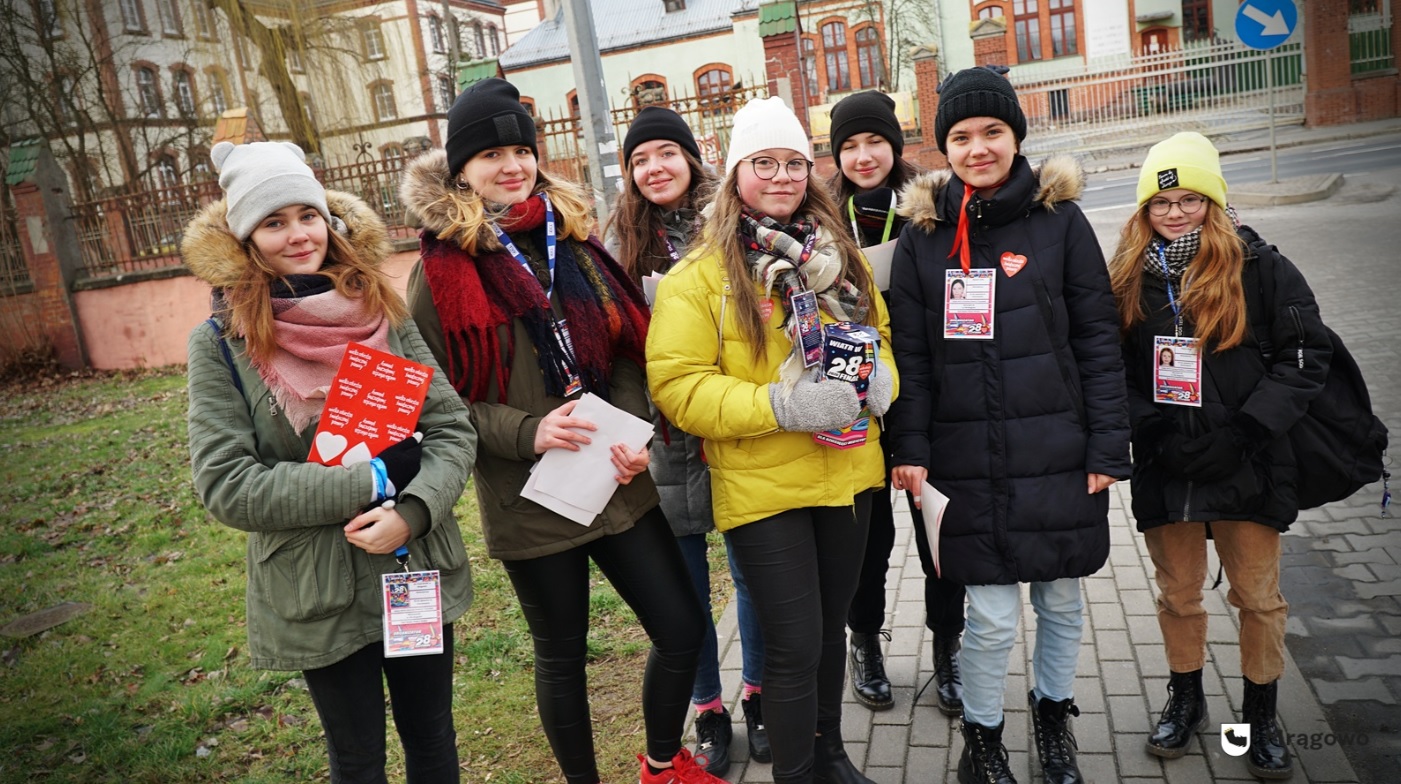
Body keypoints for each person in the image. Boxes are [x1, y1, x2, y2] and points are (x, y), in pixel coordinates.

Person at [400, 79, 723, 784]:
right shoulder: (438, 271)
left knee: (680, 628)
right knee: (563, 658)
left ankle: (663, 764)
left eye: (521, 149)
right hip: (530, 495)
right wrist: (527, 431)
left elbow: (628, 348)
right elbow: (439, 402)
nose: (511, 166)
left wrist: (634, 429)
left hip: (614, 477)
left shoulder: (570, 240)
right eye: (491, 154)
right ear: (460, 169)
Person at [184, 140, 478, 783]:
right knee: (356, 759)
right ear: (245, 237)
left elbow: (452, 429)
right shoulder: (221, 346)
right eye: (273, 221)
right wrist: (370, 480)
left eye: (307, 215)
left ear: (330, 218)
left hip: (411, 563)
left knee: (433, 741)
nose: (298, 234)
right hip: (315, 587)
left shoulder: (382, 311)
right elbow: (227, 486)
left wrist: (415, 510)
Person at [886, 67, 1130, 784]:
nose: (976, 148)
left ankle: (1054, 724)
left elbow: (1096, 340)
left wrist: (1107, 444)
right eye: (959, 137)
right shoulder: (922, 238)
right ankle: (984, 742)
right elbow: (912, 360)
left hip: (1058, 450)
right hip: (966, 459)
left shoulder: (1061, 224)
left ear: (1015, 136)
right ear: (943, 148)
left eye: (991, 132)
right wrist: (912, 448)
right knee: (988, 618)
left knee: (1059, 600)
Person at [648, 95, 896, 784]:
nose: (782, 176)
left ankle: (831, 756)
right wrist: (781, 406)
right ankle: (796, 772)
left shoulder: (838, 258)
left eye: (793, 161)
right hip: (763, 488)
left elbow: (878, 337)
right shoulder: (697, 276)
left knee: (826, 635)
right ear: (734, 174)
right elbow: (679, 387)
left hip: (847, 475)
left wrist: (883, 384)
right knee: (789, 647)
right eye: (763, 162)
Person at [1108, 131, 1328, 780]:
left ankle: (1259, 717)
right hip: (1166, 466)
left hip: (1246, 462)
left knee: (1256, 597)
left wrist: (1243, 433)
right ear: (1142, 210)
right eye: (1159, 202)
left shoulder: (1260, 268)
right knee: (1177, 595)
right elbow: (1108, 368)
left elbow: (1303, 357)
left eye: (1188, 199)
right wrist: (1148, 430)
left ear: (1213, 199)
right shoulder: (1125, 278)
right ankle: (1185, 700)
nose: (1173, 213)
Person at [603, 105, 770, 776]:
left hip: (726, 423)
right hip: (661, 435)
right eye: (640, 160)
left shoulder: (730, 226)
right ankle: (708, 708)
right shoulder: (614, 248)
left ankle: (757, 695)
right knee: (686, 585)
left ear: (690, 159)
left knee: (752, 571)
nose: (654, 168)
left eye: (665, 153)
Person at [827, 89, 966, 718]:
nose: (863, 156)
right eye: (850, 146)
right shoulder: (820, 219)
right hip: (856, 403)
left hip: (929, 398)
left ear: (895, 144)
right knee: (868, 542)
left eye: (874, 142)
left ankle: (949, 651)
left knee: (940, 535)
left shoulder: (932, 209)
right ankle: (867, 643)